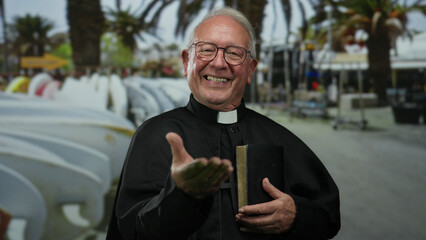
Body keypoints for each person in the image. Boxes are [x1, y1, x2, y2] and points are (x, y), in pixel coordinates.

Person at [107, 7, 340, 240]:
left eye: (234, 53)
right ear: (186, 62)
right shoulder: (153, 135)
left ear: (250, 69)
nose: (219, 63)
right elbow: (132, 231)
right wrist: (181, 195)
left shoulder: (280, 137)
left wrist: (296, 215)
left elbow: (328, 216)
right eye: (206, 50)